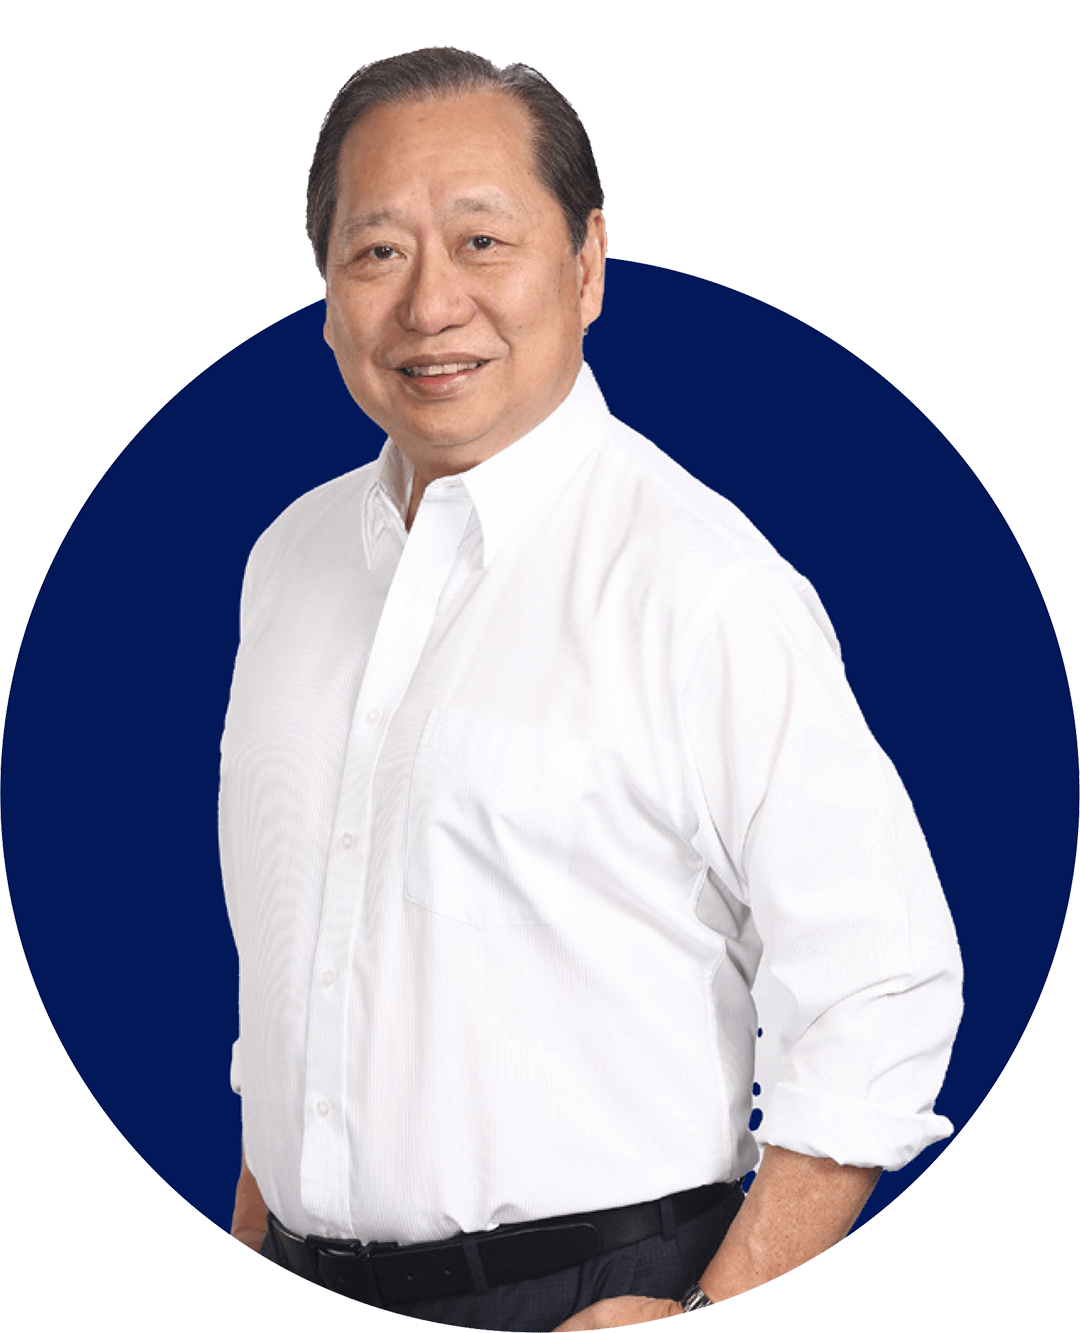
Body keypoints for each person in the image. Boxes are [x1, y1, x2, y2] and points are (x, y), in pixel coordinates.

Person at [221, 47, 963, 1330]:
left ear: (586, 264)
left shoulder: (703, 586)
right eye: (378, 251)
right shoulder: (289, 560)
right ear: (329, 295)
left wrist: (713, 1301)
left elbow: (881, 986)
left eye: (483, 241)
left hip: (590, 1293)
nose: (431, 304)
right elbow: (304, 977)